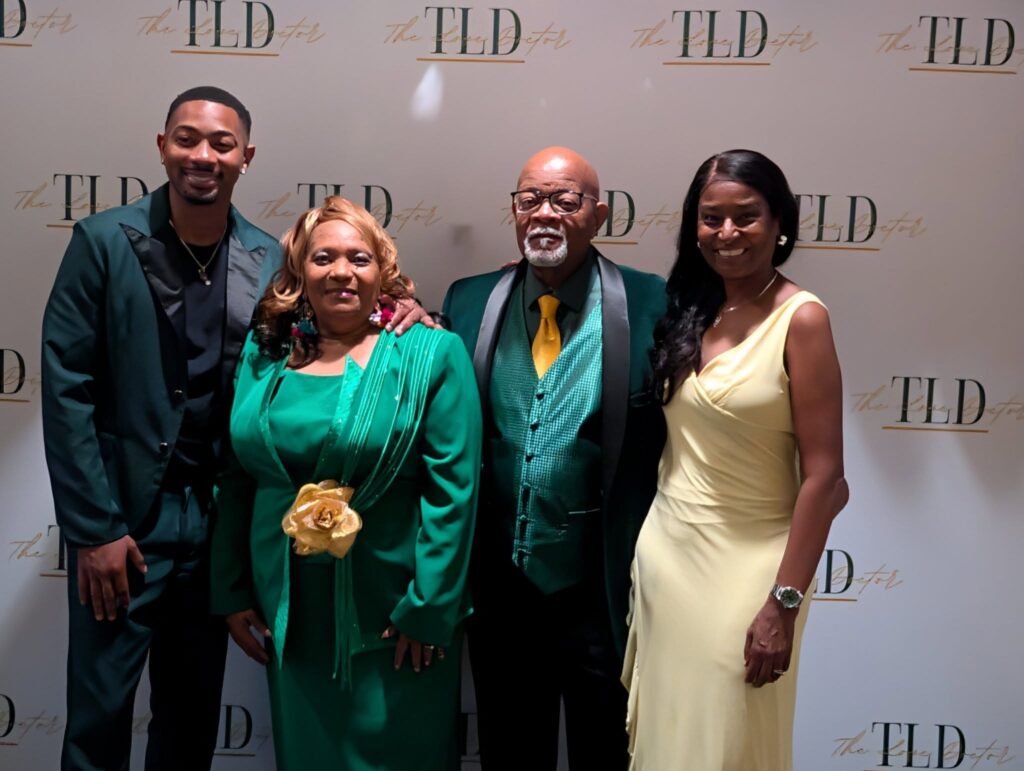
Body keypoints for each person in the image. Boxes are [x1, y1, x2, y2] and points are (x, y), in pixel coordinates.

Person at [40, 86, 279, 771]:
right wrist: (94, 530)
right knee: (97, 723)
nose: (203, 155)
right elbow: (66, 388)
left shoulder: (268, 257)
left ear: (246, 157)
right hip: (120, 524)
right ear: (162, 146)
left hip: (214, 526)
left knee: (190, 723)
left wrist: (407, 307)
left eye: (222, 144)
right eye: (187, 138)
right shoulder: (102, 242)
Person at [209, 195, 481, 771]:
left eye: (359, 258)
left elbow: (453, 491)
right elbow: (237, 476)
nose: (341, 272)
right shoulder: (266, 351)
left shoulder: (431, 353)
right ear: (298, 272)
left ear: (383, 270)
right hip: (290, 611)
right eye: (323, 258)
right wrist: (231, 589)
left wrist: (429, 608)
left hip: (397, 616)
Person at [622, 149, 849, 770]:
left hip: (753, 573)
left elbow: (827, 479)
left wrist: (784, 602)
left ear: (780, 224)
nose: (726, 233)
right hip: (668, 561)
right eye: (710, 218)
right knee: (669, 742)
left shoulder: (802, 319)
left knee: (728, 745)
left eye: (745, 217)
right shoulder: (688, 308)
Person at [442, 147, 667, 770]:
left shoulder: (652, 302)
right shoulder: (467, 300)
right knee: (510, 754)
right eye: (530, 200)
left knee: (608, 754)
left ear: (598, 215)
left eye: (565, 201)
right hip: (500, 592)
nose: (544, 213)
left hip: (603, 588)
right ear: (514, 211)